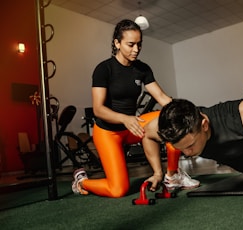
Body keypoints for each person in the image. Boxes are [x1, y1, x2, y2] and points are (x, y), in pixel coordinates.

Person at [71, 19, 199, 197]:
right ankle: (81, 181)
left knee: (171, 119)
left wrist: (186, 112)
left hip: (133, 126)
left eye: (139, 44)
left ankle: (172, 175)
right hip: (109, 132)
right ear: (117, 43)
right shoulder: (104, 69)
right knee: (118, 190)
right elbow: (98, 110)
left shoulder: (142, 69)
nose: (136, 49)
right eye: (131, 44)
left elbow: (162, 97)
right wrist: (125, 118)